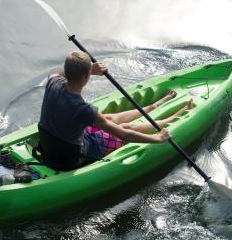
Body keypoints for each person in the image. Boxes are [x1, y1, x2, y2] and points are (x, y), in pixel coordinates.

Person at [37, 51, 192, 170]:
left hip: (49, 147)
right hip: (71, 157)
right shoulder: (83, 109)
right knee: (124, 128)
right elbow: (125, 135)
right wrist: (157, 139)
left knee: (107, 118)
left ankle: (153, 106)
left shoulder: (54, 83)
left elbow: (54, 73)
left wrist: (89, 69)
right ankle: (171, 120)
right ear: (86, 76)